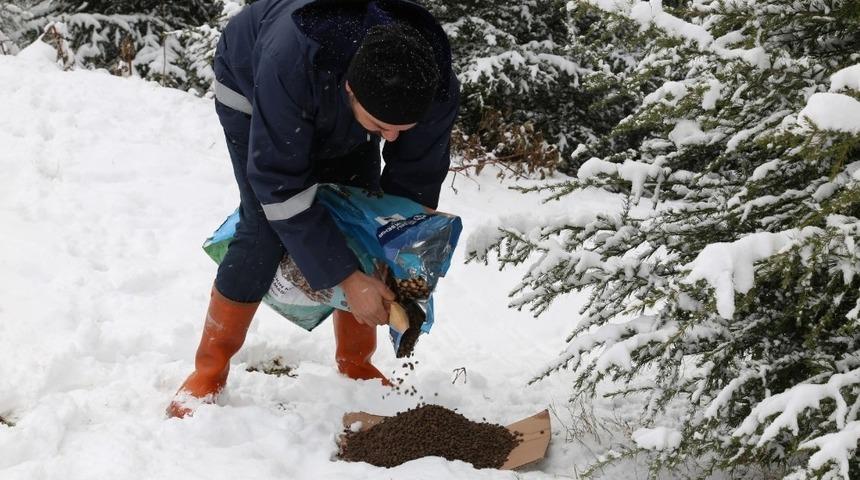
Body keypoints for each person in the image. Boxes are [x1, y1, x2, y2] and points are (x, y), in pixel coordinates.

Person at [166, 0, 459, 418]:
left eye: (402, 129)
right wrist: (347, 278)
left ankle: (356, 363)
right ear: (350, 90)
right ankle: (208, 370)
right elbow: (280, 188)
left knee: (362, 214)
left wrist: (395, 253)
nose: (392, 139)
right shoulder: (289, 63)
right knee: (264, 228)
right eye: (381, 129)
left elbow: (414, 184)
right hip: (254, 84)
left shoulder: (432, 86)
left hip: (340, 92)